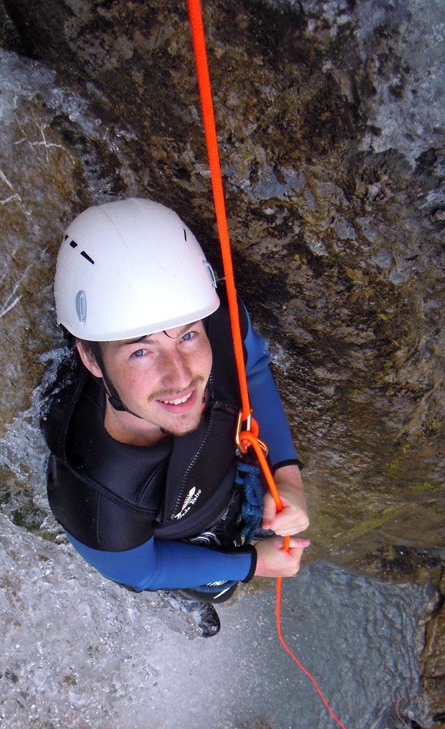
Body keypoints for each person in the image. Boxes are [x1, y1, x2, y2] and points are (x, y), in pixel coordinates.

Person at [40, 198, 310, 636]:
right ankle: (191, 602)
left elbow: (252, 367)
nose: (181, 377)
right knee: (214, 587)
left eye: (187, 336)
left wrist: (287, 478)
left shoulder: (215, 319)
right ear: (90, 358)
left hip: (221, 488)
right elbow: (142, 572)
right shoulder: (94, 498)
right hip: (177, 537)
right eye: (142, 351)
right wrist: (253, 564)